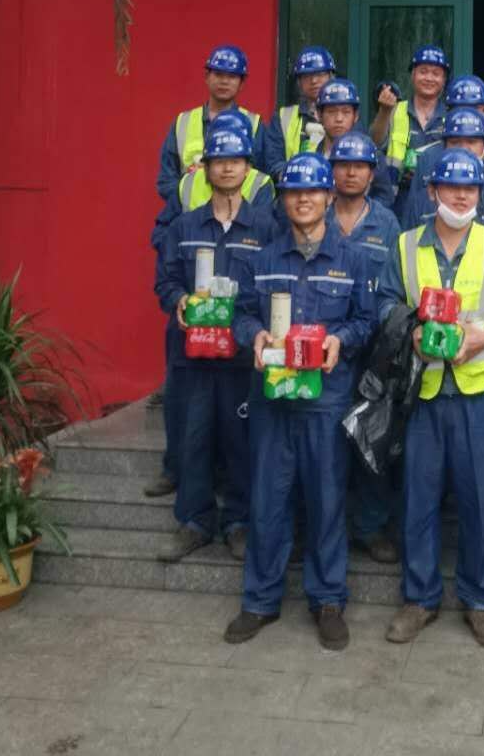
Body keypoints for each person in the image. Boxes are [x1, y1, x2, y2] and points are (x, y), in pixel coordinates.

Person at [225, 153, 377, 651]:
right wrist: (254, 333)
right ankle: (259, 600)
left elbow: (366, 320)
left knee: (327, 501)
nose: (304, 199)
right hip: (273, 402)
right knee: (267, 501)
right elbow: (241, 314)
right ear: (284, 201)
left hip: (325, 403)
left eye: (312, 191)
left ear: (329, 197)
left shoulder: (352, 259)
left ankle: (328, 600)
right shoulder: (263, 260)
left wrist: (340, 340)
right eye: (294, 192)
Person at [377, 149, 484, 651]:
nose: (462, 196)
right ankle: (419, 598)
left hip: (478, 392)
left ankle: (481, 601)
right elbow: (385, 303)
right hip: (423, 391)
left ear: (481, 193)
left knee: (480, 500)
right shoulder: (404, 245)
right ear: (432, 190)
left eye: (471, 188)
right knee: (418, 499)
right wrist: (412, 331)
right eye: (452, 186)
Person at [154, 126, 276, 563]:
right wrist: (179, 299)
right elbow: (165, 280)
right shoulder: (185, 226)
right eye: (219, 161)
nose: (227, 168)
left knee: (241, 441)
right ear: (205, 169)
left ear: (247, 169)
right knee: (194, 439)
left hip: (242, 359)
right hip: (194, 357)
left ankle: (239, 523)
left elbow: (274, 285)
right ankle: (194, 521)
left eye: (235, 161)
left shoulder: (267, 227)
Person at [327, 131, 402, 565]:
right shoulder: (316, 214)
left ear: (372, 174)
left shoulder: (387, 223)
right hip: (327, 353)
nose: (351, 173)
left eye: (360, 166)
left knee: (372, 440)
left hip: (375, 352)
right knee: (327, 444)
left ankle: (372, 526)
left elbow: (395, 287)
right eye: (343, 165)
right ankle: (329, 525)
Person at [400, 108, 484, 263]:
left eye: (472, 142)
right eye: (455, 142)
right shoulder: (429, 183)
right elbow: (409, 236)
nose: (464, 148)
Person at [157, 44, 261, 202]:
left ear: (242, 83)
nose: (224, 81)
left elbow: (259, 179)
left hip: (239, 214)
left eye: (232, 76)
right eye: (218, 74)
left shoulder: (254, 124)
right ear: (207, 76)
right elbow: (166, 181)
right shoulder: (182, 122)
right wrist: (192, 197)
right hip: (189, 213)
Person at [369, 44, 450, 181]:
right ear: (413, 75)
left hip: (438, 190)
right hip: (398, 191)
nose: (429, 78)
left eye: (436, 74)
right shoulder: (394, 110)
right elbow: (374, 143)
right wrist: (384, 111)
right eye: (423, 72)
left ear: (444, 80)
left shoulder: (451, 116)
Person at [313, 79, 395, 207]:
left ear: (355, 116)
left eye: (346, 112)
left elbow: (385, 197)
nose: (339, 119)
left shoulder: (370, 153)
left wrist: (360, 212)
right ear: (319, 115)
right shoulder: (312, 155)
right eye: (331, 112)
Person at [261, 45, 337, 178]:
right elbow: (273, 164)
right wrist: (300, 175)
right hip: (293, 187)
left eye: (320, 74)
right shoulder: (283, 117)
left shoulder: (345, 114)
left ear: (331, 76)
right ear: (299, 82)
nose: (314, 81)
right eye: (307, 75)